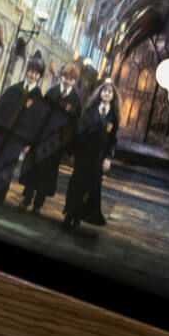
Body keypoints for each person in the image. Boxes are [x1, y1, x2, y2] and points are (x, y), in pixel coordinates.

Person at [0, 53, 46, 213]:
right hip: (2, 134)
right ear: (27, 71)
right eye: (31, 71)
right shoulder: (14, 89)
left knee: (7, 168)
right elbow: (1, 106)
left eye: (36, 73)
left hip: (18, 140)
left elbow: (37, 124)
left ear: (39, 76)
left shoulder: (38, 98)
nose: (32, 75)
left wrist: (29, 143)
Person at [19, 63, 83, 214]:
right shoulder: (51, 93)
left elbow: (74, 126)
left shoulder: (76, 102)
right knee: (33, 169)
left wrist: (69, 148)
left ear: (75, 81)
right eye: (65, 77)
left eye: (71, 79)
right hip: (41, 138)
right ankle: (26, 199)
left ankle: (38, 205)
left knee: (47, 175)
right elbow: (40, 116)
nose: (67, 81)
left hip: (56, 144)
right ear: (61, 76)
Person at [63, 79, 120, 227]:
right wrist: (74, 154)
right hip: (83, 155)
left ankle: (78, 216)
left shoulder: (113, 117)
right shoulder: (90, 111)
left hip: (98, 159)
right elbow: (79, 133)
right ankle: (70, 213)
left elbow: (112, 140)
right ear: (100, 93)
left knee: (90, 188)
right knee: (76, 184)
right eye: (104, 90)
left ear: (113, 96)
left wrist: (108, 158)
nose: (106, 93)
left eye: (110, 91)